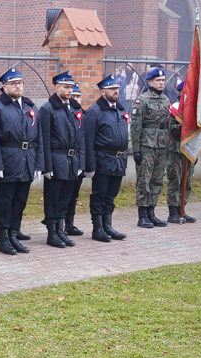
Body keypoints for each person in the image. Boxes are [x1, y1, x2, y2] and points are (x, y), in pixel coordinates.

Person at [0, 67, 44, 255]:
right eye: (13, 83)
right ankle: (3, 237)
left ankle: (14, 233)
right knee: (4, 201)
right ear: (4, 87)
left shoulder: (30, 107)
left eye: (20, 83)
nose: (18, 86)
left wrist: (39, 164)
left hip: (26, 160)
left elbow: (39, 137)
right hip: (7, 160)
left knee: (20, 200)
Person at [38, 71, 84, 248]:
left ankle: (61, 229)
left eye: (71, 87)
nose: (69, 90)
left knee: (66, 196)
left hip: (72, 159)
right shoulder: (48, 109)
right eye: (66, 87)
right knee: (54, 197)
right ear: (56, 87)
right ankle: (52, 232)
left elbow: (81, 136)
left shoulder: (74, 108)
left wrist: (81, 162)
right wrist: (47, 166)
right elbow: (45, 139)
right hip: (57, 159)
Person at [84, 74, 130, 242]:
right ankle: (98, 228)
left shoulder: (120, 109)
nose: (116, 91)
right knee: (99, 194)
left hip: (118, 160)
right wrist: (90, 165)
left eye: (117, 88)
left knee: (111, 195)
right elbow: (88, 140)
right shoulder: (95, 112)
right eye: (112, 89)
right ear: (103, 92)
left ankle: (107, 225)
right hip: (102, 159)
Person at [131, 67, 170, 229]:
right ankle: (143, 214)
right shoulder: (143, 100)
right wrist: (136, 149)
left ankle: (152, 212)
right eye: (158, 81)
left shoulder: (166, 99)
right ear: (150, 82)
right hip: (147, 145)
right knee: (144, 180)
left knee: (158, 179)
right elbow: (136, 126)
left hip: (162, 145)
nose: (161, 83)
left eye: (162, 80)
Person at [166, 81, 198, 223]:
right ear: (181, 92)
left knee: (188, 180)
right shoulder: (174, 108)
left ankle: (182, 209)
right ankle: (173, 211)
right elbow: (172, 129)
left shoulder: (195, 109)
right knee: (175, 180)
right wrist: (187, 126)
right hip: (176, 149)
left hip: (189, 148)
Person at [64, 82, 86, 236]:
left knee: (74, 194)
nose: (76, 99)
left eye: (79, 96)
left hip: (78, 159)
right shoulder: (67, 113)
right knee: (63, 194)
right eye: (74, 96)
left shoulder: (84, 114)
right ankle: (60, 225)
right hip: (63, 159)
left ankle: (69, 224)